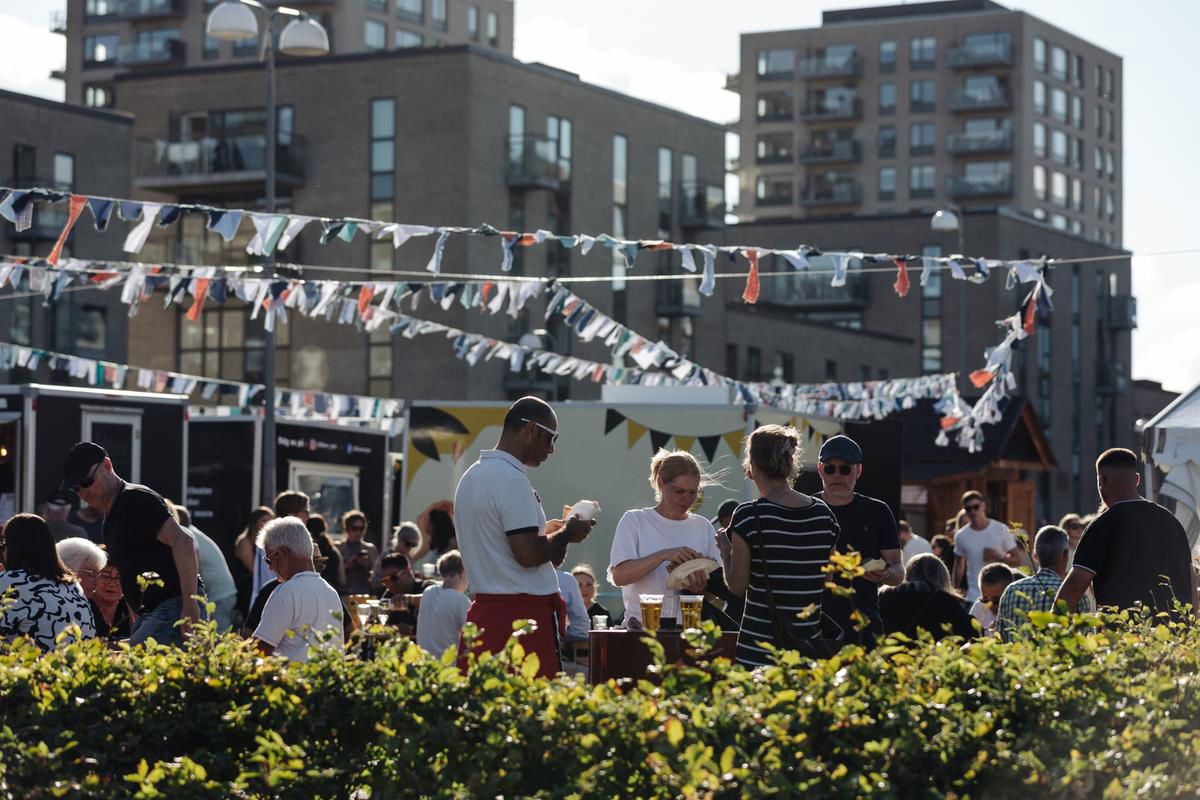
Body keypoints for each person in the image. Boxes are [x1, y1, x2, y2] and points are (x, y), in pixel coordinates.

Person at [454, 396, 594, 678]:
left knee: (480, 701)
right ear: (530, 429)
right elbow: (528, 555)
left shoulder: (472, 476)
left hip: (485, 614)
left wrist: (552, 536)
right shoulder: (511, 478)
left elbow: (507, 551)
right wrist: (567, 533)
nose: (551, 449)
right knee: (532, 703)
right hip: (520, 620)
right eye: (550, 438)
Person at [61, 442, 203, 645]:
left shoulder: (135, 498)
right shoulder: (110, 519)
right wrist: (138, 622)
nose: (83, 492)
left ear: (107, 466)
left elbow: (184, 542)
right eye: (76, 488)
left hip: (173, 605)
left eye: (87, 481)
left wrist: (190, 604)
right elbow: (128, 574)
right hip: (153, 613)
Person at [723, 424, 839, 667]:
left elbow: (737, 586)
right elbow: (827, 578)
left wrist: (725, 550)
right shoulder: (823, 514)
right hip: (807, 648)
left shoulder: (748, 516)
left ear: (753, 465)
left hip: (757, 651)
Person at [1056, 448, 1196, 615]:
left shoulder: (1101, 526)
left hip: (1124, 629)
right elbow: (1191, 579)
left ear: (1101, 480)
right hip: (1173, 628)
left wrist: (1050, 624)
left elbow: (1075, 586)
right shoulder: (1171, 522)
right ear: (1137, 479)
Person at [609, 449, 723, 628]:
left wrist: (700, 587)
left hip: (690, 630)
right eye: (679, 491)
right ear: (661, 483)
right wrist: (662, 555)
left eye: (693, 492)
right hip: (642, 628)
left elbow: (718, 592)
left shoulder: (703, 526)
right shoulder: (635, 520)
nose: (687, 499)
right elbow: (619, 576)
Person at [813, 434, 903, 646]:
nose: (837, 475)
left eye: (845, 469)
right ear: (820, 469)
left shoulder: (877, 511)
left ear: (858, 471)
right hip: (814, 626)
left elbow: (898, 571)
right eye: (830, 468)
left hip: (864, 627)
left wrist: (887, 573)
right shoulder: (806, 509)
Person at [251, 516, 344, 662]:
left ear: (283, 553)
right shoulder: (331, 592)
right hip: (326, 675)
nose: (269, 567)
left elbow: (259, 652)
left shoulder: (286, 592)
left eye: (269, 560)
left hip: (292, 676)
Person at [0, 514, 96, 650]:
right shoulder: (73, 585)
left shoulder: (9, 581)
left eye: (3, 544)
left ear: (14, 547)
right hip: (76, 661)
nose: (2, 551)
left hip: (31, 662)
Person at [999, 525, 1095, 641]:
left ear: (1035, 556)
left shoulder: (1011, 590)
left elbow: (1000, 636)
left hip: (1018, 653)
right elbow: (1086, 638)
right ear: (1065, 555)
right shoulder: (1075, 594)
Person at [879, 553, 976, 642]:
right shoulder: (944, 600)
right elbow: (972, 633)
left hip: (886, 653)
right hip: (929, 653)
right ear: (943, 577)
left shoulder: (885, 594)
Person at [952, 491, 1026, 605]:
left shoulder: (1000, 529)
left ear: (983, 506)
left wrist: (999, 558)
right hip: (973, 596)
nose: (973, 511)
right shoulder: (961, 535)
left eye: (975, 507)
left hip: (999, 596)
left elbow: (1017, 560)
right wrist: (954, 592)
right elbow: (959, 566)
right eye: (968, 509)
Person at [173, 504, 237, 632]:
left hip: (219, 595)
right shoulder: (193, 533)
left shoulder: (187, 535)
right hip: (223, 592)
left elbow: (197, 571)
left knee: (218, 637)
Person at [55, 537, 130, 640]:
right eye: (106, 576)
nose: (113, 583)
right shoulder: (69, 604)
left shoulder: (130, 606)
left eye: (119, 577)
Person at [416, 550, 471, 658]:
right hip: (449, 664)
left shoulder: (428, 592)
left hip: (424, 661)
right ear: (461, 573)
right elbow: (470, 636)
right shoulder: (461, 600)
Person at [378, 551, 429, 635]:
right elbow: (377, 624)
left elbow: (435, 599)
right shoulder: (389, 595)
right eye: (386, 581)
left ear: (407, 572)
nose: (390, 584)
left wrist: (408, 598)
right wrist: (393, 628)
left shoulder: (426, 588)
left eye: (393, 577)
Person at [969, 563, 1016, 636]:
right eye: (985, 600)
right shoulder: (979, 608)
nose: (990, 605)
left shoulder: (1017, 610)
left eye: (996, 600)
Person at [338, 510, 378, 596]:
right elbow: (333, 574)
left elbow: (377, 576)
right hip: (344, 593)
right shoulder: (339, 548)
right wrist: (347, 564)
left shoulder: (370, 549)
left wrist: (367, 565)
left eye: (361, 529)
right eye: (354, 528)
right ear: (347, 529)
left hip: (364, 593)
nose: (358, 532)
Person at [306, 515, 346, 594]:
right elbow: (342, 580)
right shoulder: (334, 552)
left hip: (310, 593)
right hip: (331, 593)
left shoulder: (306, 552)